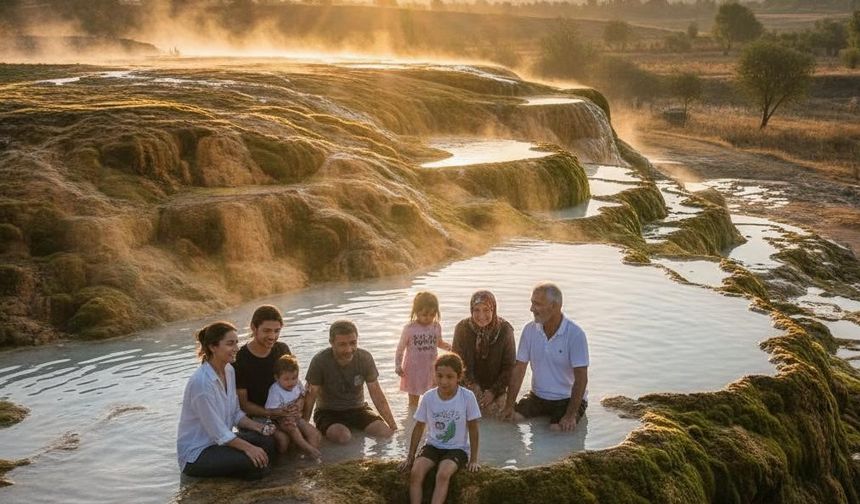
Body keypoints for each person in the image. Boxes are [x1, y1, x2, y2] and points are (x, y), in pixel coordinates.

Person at [177, 321, 276, 479]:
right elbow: (218, 432)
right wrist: (249, 448)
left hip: (220, 443)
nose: (236, 348)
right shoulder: (201, 384)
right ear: (213, 347)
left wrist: (260, 427)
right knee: (254, 462)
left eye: (236, 342)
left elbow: (235, 413)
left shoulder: (229, 370)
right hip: (198, 454)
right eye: (230, 344)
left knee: (268, 441)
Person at [501, 282, 589, 432]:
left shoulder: (575, 334)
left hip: (566, 399)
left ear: (554, 306)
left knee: (556, 431)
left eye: (537, 304)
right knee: (509, 420)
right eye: (532, 303)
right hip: (537, 397)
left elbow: (581, 379)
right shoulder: (529, 330)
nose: (531, 309)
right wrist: (509, 406)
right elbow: (519, 369)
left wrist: (570, 415)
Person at [400, 354, 481, 504]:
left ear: (459, 377)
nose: (444, 381)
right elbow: (419, 427)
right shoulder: (428, 397)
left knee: (443, 474)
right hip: (432, 446)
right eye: (440, 376)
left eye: (449, 377)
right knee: (416, 472)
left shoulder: (467, 397)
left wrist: (474, 460)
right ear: (434, 375)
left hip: (457, 449)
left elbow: (473, 429)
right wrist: (410, 456)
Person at [303, 320, 398, 443]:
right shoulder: (320, 361)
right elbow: (311, 396)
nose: (348, 349)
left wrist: (393, 426)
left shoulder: (365, 358)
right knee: (343, 437)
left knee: (386, 433)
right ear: (331, 342)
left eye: (353, 343)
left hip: (358, 409)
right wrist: (304, 427)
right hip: (328, 412)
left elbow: (376, 393)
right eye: (342, 344)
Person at [234, 305, 294, 452]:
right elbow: (243, 405)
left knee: (310, 435)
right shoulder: (240, 358)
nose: (272, 336)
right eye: (267, 331)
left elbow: (294, 383)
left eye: (277, 331)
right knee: (282, 440)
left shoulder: (282, 349)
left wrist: (296, 407)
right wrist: (273, 413)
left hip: (282, 411)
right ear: (253, 328)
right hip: (255, 417)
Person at [452, 290, 515, 417]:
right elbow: (456, 363)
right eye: (476, 310)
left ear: (493, 309)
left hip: (497, 389)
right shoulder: (462, 328)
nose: (481, 315)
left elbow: (509, 367)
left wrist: (493, 392)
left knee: (500, 419)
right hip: (467, 386)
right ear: (471, 310)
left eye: (486, 310)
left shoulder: (505, 330)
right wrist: (472, 386)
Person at [395, 292, 452, 407]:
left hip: (430, 369)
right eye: (425, 314)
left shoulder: (436, 326)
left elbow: (438, 343)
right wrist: (398, 365)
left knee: (433, 400)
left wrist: (450, 348)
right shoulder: (409, 329)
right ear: (416, 312)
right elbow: (400, 349)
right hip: (413, 370)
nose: (429, 318)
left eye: (432, 314)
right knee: (413, 403)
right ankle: (412, 417)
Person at [264, 355, 322, 459]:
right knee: (292, 428)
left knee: (314, 433)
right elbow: (270, 412)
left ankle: (311, 457)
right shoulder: (275, 390)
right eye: (286, 379)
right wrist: (284, 412)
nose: (291, 382)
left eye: (294, 378)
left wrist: (300, 401)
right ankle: (308, 449)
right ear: (277, 378)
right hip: (280, 420)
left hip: (296, 417)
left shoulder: (298, 384)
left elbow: (302, 395)